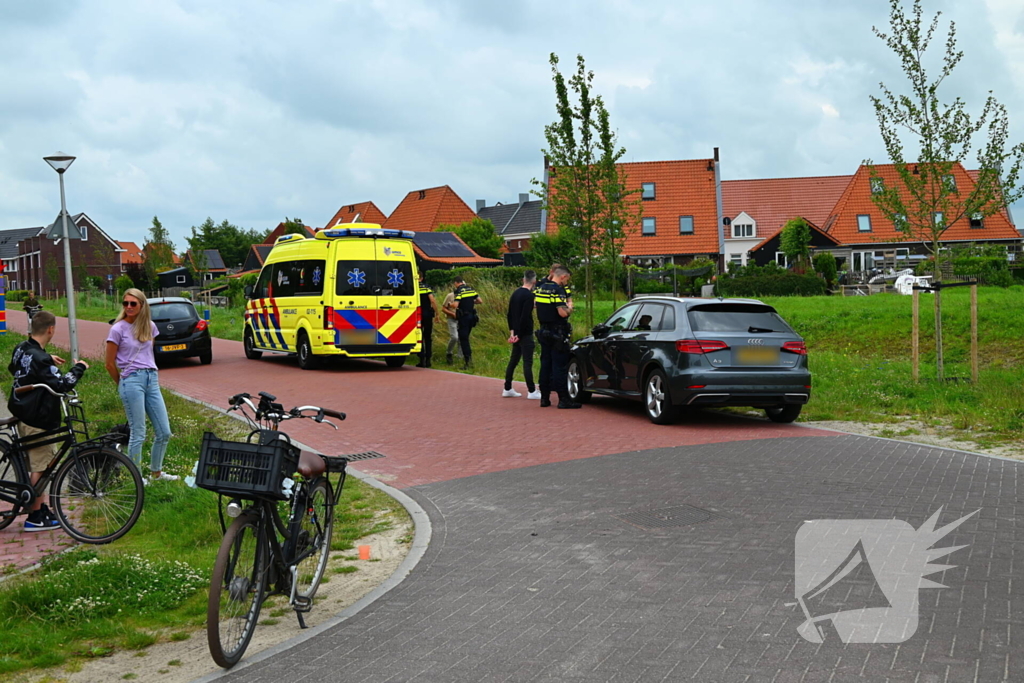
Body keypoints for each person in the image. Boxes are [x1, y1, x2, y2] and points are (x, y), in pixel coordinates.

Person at [8, 310, 89, 531]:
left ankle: (39, 507)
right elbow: (63, 383)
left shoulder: (22, 348)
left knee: (34, 463)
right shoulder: (40, 358)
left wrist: (45, 360)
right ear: (51, 330)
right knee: (40, 466)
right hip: (38, 416)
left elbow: (14, 368)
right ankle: (34, 516)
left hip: (22, 411)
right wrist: (80, 367)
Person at [105, 288, 178, 483]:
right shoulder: (117, 329)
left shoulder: (150, 327)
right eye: (125, 303)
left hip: (151, 378)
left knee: (164, 431)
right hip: (132, 380)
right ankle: (136, 479)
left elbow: (148, 353)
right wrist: (123, 383)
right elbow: (109, 364)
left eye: (133, 304)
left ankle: (157, 473)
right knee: (139, 432)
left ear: (142, 305)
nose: (128, 307)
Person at [535, 265, 580, 409]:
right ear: (563, 276)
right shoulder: (557, 290)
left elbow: (536, 305)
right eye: (567, 279)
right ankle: (563, 399)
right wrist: (570, 307)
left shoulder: (541, 288)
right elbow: (562, 312)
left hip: (543, 330)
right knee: (559, 366)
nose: (566, 282)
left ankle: (544, 398)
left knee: (545, 365)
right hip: (557, 332)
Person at [503, 270, 540, 399]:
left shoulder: (515, 293)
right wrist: (519, 333)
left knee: (513, 360)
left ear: (523, 279)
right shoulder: (529, 296)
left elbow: (510, 314)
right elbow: (525, 317)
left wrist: (512, 332)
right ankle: (531, 391)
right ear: (534, 281)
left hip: (515, 332)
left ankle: (507, 387)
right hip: (525, 333)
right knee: (527, 361)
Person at [452, 276, 481, 369]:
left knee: (464, 339)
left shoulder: (459, 291)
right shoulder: (471, 289)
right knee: (466, 338)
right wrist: (470, 303)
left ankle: (468, 362)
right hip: (472, 317)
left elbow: (455, 305)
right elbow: (480, 301)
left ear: (456, 283)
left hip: (463, 318)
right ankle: (469, 360)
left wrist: (450, 304)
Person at [416, 275, 439, 368]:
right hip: (427, 314)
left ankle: (421, 360)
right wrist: (437, 313)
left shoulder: (413, 288)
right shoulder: (427, 288)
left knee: (419, 336)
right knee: (428, 337)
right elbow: (432, 300)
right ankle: (428, 360)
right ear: (422, 278)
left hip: (417, 315)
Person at [441, 286, 462, 365]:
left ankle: (460, 357)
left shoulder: (464, 296)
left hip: (461, 319)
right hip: (452, 319)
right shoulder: (450, 296)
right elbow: (443, 308)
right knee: (454, 337)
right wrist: (452, 314)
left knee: (461, 338)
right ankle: (449, 353)